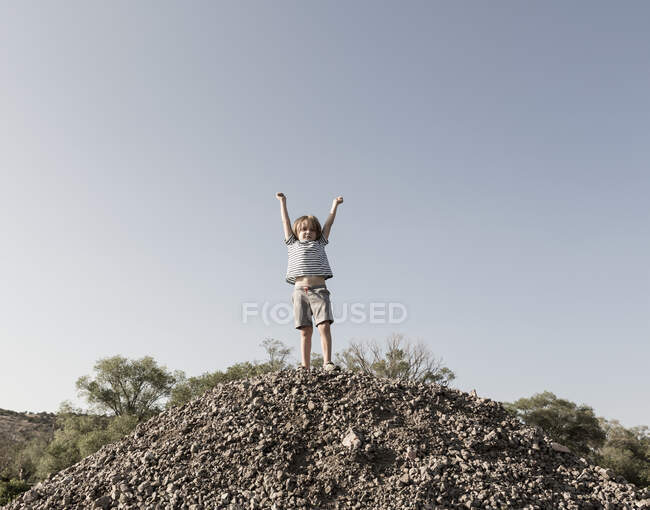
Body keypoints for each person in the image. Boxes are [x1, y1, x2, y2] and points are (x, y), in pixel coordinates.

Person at [276, 192, 343, 372]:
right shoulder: (292, 243)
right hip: (299, 291)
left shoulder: (320, 243)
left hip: (319, 289)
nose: (308, 232)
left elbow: (329, 223)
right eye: (304, 229)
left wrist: (334, 205)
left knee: (324, 326)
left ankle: (327, 362)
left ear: (317, 233)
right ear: (297, 232)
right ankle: (305, 366)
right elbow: (285, 222)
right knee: (305, 331)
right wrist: (283, 202)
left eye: (312, 230)